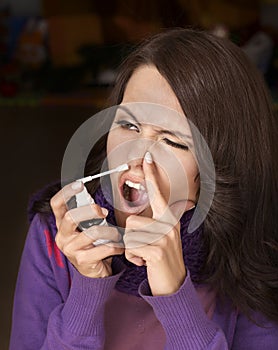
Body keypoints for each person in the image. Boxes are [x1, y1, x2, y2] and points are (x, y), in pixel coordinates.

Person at [10, 28, 278, 349]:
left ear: (222, 166)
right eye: (129, 125)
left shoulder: (256, 249)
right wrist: (86, 290)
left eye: (172, 140)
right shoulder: (54, 235)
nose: (136, 153)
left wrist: (176, 297)